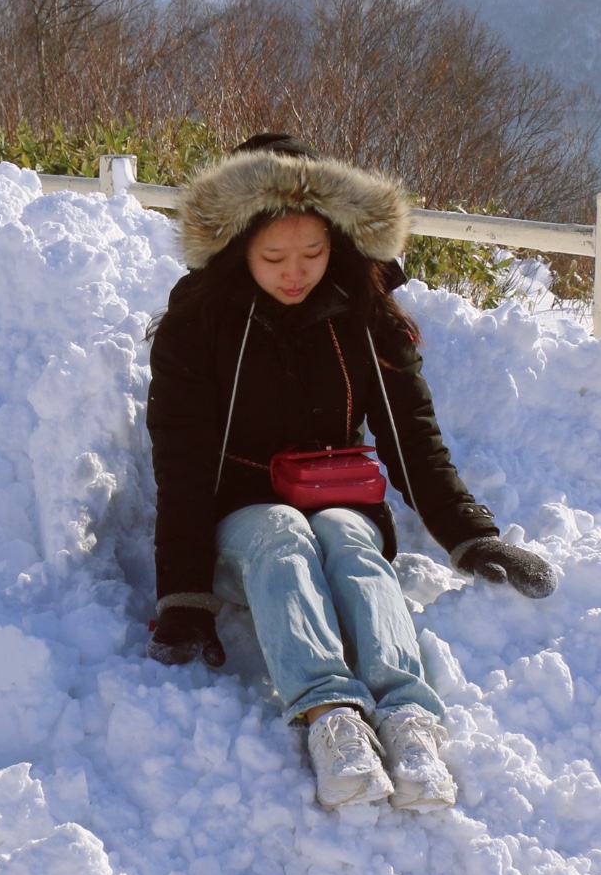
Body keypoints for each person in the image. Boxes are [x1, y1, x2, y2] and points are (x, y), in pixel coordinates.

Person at [144, 135, 556, 811]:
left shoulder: (364, 318)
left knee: (351, 544)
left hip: (339, 497)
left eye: (313, 252)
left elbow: (411, 438)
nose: (294, 272)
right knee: (282, 535)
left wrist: (472, 535)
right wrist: (182, 596)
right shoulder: (199, 324)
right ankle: (330, 715)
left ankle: (408, 719)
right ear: (239, 247)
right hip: (245, 509)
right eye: (274, 255)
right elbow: (181, 461)